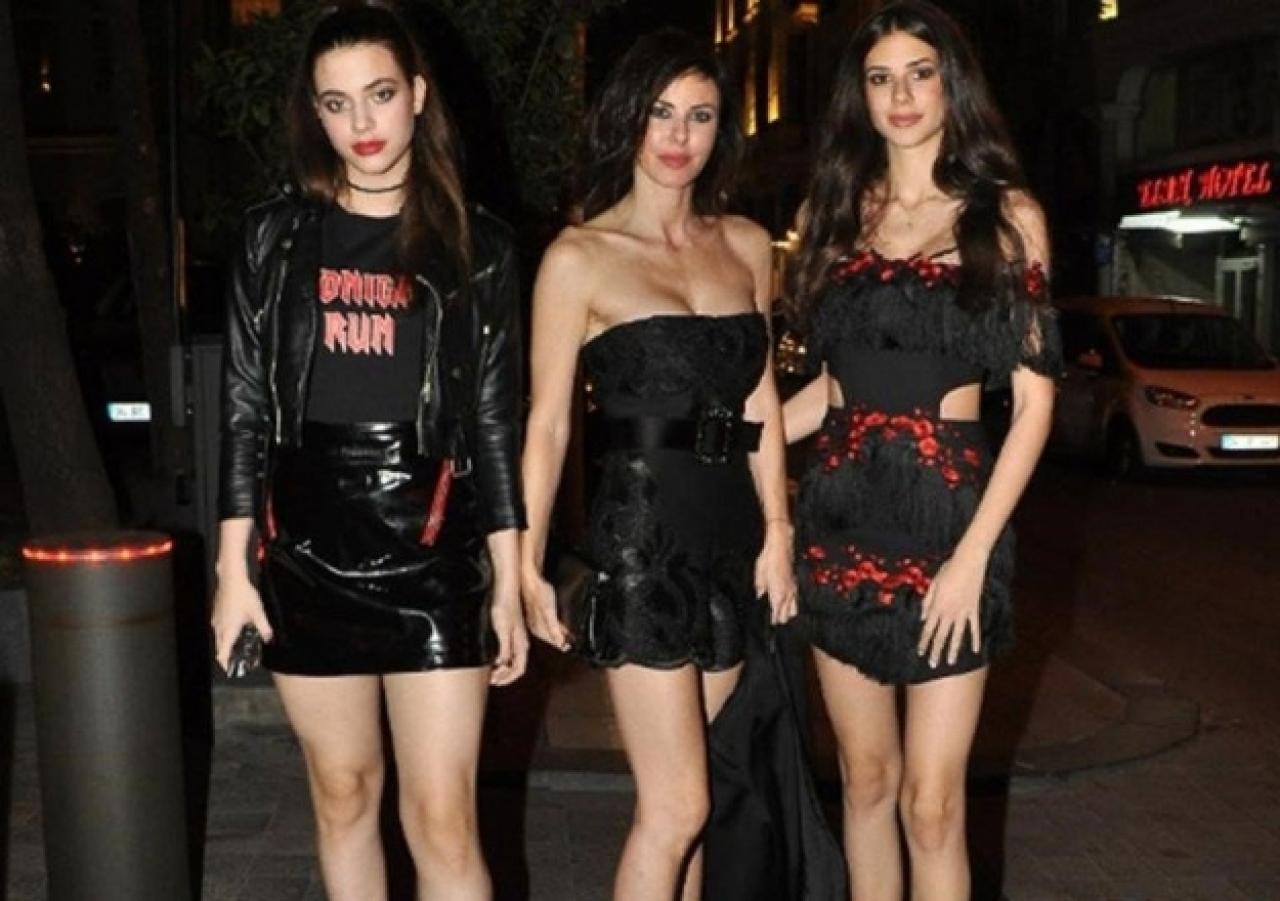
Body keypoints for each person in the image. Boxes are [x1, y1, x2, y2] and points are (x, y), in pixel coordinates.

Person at [208, 3, 526, 899]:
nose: (362, 123)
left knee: (443, 820)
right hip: (305, 546)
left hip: (435, 549)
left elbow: (494, 419)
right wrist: (233, 571)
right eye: (337, 103)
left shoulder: (481, 245)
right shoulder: (273, 238)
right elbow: (243, 407)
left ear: (417, 95)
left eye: (380, 95)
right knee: (342, 794)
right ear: (314, 113)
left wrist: (510, 577)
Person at [783, 2, 1062, 898]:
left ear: (952, 85)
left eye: (919, 73)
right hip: (837, 522)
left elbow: (1034, 404)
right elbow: (831, 392)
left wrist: (974, 556)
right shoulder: (834, 213)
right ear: (859, 96)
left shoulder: (1005, 216)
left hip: (950, 526)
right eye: (880, 78)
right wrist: (725, 443)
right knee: (865, 781)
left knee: (932, 806)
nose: (900, 96)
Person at [519, 30, 797, 901]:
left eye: (700, 116)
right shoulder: (578, 256)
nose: (679, 135)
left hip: (731, 534)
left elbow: (761, 401)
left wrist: (779, 527)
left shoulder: (747, 244)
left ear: (722, 130)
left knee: (699, 797)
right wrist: (525, 562)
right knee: (676, 805)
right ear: (627, 122)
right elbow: (548, 426)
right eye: (660, 113)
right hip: (639, 540)